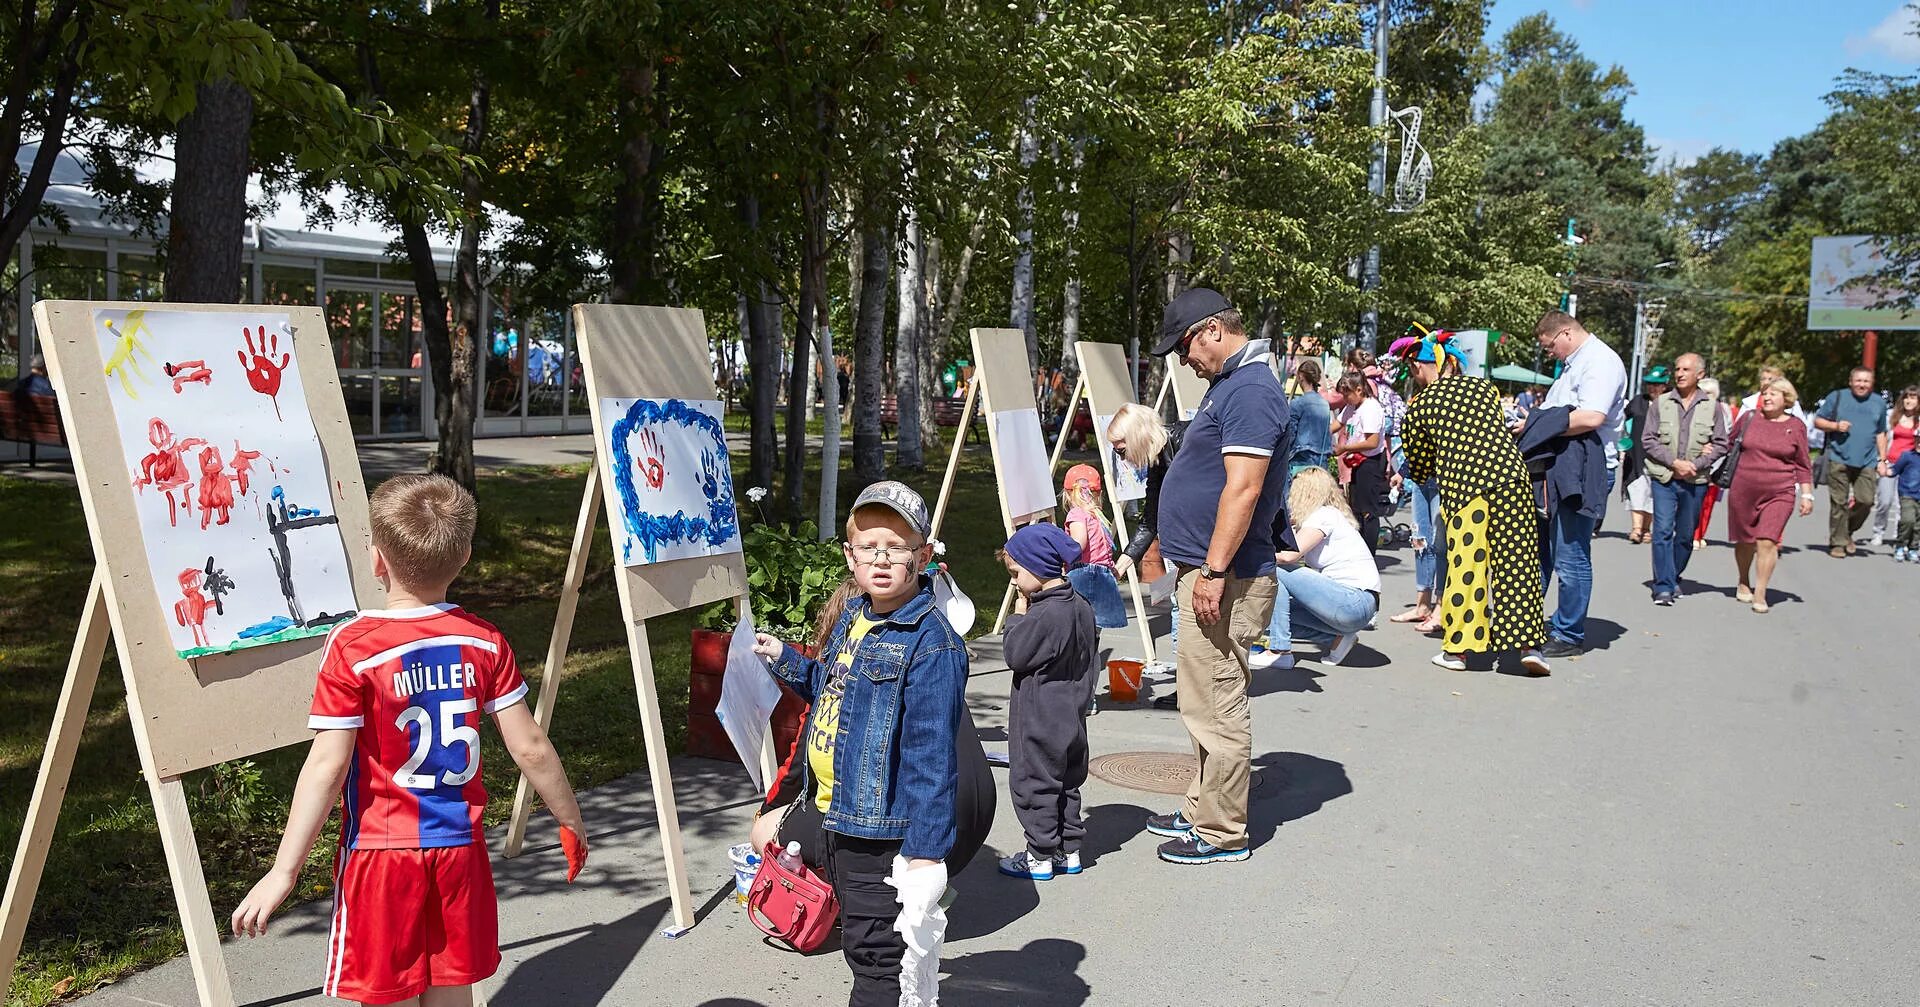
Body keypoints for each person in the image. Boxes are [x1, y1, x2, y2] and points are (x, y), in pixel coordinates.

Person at [231, 474, 589, 1006]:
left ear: (377, 559)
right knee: (452, 992)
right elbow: (530, 746)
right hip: (460, 853)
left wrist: (285, 871)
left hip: (381, 854)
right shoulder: (485, 641)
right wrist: (570, 819)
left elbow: (327, 766)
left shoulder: (353, 646)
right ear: (465, 556)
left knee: (388, 995)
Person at [752, 481, 967, 1005]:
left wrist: (924, 855)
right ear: (850, 556)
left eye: (897, 547)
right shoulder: (855, 616)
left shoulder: (931, 643)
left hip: (879, 833)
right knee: (860, 948)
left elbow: (931, 757)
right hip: (834, 815)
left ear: (922, 555)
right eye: (870, 547)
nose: (882, 559)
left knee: (877, 963)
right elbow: (834, 691)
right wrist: (785, 658)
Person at [1142, 287, 1288, 865]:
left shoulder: (1251, 390)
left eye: (1182, 347)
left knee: (1218, 702)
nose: (1181, 360)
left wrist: (1213, 568)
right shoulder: (1232, 384)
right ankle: (1203, 804)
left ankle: (1222, 830)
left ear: (1210, 331)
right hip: (1208, 571)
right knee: (1202, 699)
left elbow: (1244, 487)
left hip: (1226, 575)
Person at [1399, 332, 1551, 675]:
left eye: (1413, 368)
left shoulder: (1420, 407)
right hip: (1511, 480)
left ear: (1422, 365)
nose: (1413, 375)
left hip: (1465, 489)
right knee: (1519, 563)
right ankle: (1529, 647)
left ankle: (1460, 650)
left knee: (1467, 565)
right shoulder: (1484, 389)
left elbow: (1420, 465)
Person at [995, 524, 1099, 881]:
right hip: (1072, 714)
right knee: (1067, 783)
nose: (1014, 583)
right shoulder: (1080, 606)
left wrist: (1017, 616)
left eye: (1017, 573)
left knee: (1034, 784)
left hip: (1039, 719)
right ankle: (1068, 850)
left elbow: (1016, 654)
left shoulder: (1043, 615)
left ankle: (1038, 855)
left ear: (1037, 567)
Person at [1533, 310, 1626, 655]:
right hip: (1560, 465)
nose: (1550, 353)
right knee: (1542, 550)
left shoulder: (1600, 361)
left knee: (1570, 553)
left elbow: (1591, 416)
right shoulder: (1576, 364)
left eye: (1550, 346)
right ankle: (1526, 621)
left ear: (1566, 334)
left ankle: (1569, 633)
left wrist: (1538, 425)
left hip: (1584, 468)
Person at [1251, 467, 1381, 670]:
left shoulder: (1324, 515)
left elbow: (1289, 555)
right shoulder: (1328, 516)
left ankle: (1279, 651)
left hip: (1353, 601)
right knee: (1270, 617)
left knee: (1276, 569)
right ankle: (1337, 639)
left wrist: (1251, 555)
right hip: (1356, 605)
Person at [1107, 403, 1187, 703]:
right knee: (1182, 610)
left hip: (1202, 550)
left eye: (1120, 447)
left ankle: (1194, 692)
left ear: (1137, 435)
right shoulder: (1157, 463)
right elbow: (1150, 518)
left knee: (1192, 616)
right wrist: (1123, 563)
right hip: (1182, 549)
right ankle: (1189, 689)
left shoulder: (1184, 442)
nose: (1120, 456)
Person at [1642, 353, 1728, 605]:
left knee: (1685, 535)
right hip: (1664, 477)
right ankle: (1663, 586)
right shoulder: (1661, 403)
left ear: (1700, 375)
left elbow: (1722, 443)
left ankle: (1673, 575)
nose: (1679, 373)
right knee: (1662, 531)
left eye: (1686, 369)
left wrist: (1696, 464)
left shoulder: (1712, 407)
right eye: (1677, 368)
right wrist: (1674, 462)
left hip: (1695, 480)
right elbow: (1648, 439)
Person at [1727, 380, 1814, 612]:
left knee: (1767, 540)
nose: (1766, 398)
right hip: (1743, 489)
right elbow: (1727, 445)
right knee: (1745, 540)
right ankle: (1743, 581)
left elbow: (1803, 464)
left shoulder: (1796, 426)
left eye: (1773, 394)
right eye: (1764, 394)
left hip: (1780, 491)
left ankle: (1761, 592)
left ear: (1786, 399)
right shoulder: (1748, 419)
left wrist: (1807, 495)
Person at [1813, 367, 1891, 558]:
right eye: (1858, 380)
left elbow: (1881, 433)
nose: (1862, 384)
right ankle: (1838, 543)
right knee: (1838, 502)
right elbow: (1818, 421)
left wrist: (1882, 459)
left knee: (1866, 500)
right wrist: (1835, 426)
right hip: (1838, 457)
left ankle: (1846, 531)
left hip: (1867, 460)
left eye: (1866, 381)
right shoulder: (1837, 397)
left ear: (1872, 383)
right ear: (1850, 382)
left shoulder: (1878, 403)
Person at [1060, 463, 1127, 628]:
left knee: (1079, 627)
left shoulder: (1076, 514)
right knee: (1095, 628)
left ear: (1067, 495)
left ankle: (1081, 654)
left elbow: (1078, 545)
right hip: (1103, 575)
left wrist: (1061, 558)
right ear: (1099, 494)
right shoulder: (1097, 517)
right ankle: (1091, 653)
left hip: (1082, 573)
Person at [1333, 372, 1389, 552]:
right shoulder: (1352, 406)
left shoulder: (1370, 408)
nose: (1345, 398)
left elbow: (1371, 442)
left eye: (1347, 394)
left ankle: (1369, 552)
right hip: (1357, 462)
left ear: (1359, 390)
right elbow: (1337, 424)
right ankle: (1359, 550)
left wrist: (1345, 449)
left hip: (1370, 462)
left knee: (1368, 511)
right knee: (1356, 508)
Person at [1621, 365, 1670, 544]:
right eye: (1649, 384)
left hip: (1660, 456)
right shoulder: (1638, 401)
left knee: (1651, 493)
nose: (1652, 388)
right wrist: (1623, 441)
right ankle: (1636, 528)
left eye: (1656, 384)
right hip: (1636, 454)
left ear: (1665, 385)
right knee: (1636, 489)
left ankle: (1646, 529)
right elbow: (1624, 421)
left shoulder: (1670, 403)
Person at [1869, 386, 1920, 548]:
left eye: (1913, 397)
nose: (1909, 401)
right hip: (1890, 462)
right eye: (1906, 397)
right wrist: (1881, 460)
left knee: (1904, 504)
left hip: (1910, 467)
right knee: (1884, 500)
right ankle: (1878, 531)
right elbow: (1881, 437)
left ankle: (1900, 535)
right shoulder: (1892, 416)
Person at [1691, 376, 1732, 550]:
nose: (1705, 395)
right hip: (1693, 462)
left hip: (1716, 464)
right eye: (1702, 392)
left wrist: (1713, 449)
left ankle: (1701, 534)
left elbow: (1726, 437)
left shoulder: (1723, 410)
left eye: (1709, 393)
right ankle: (1691, 534)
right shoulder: (1692, 408)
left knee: (1708, 503)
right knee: (1692, 502)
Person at [1285, 359, 1333, 488]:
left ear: (1300, 376)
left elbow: (1290, 434)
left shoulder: (1297, 404)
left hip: (1301, 458)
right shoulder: (1324, 404)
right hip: (1322, 458)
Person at [1890, 439, 1920, 562]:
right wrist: (1884, 470)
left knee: (1918, 525)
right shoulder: (1907, 456)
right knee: (1908, 520)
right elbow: (1895, 470)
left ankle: (1913, 547)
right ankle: (1900, 545)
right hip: (1907, 493)